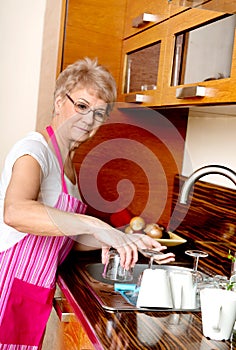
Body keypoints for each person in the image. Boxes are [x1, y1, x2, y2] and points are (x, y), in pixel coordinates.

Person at [0, 57, 175, 348]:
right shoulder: (35, 151)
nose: (89, 120)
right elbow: (15, 212)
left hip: (32, 287)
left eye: (99, 113)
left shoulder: (68, 165)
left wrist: (126, 239)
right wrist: (93, 223)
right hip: (7, 281)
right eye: (82, 106)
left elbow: (67, 235)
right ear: (59, 102)